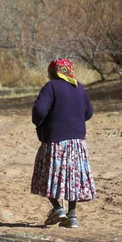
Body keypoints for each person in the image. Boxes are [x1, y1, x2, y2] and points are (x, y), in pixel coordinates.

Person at [30, 58, 96, 228]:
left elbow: (39, 110)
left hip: (55, 142)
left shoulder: (50, 87)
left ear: (53, 73)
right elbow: (89, 112)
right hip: (77, 143)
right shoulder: (78, 87)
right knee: (71, 178)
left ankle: (58, 208)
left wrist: (41, 122)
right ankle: (72, 216)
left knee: (47, 174)